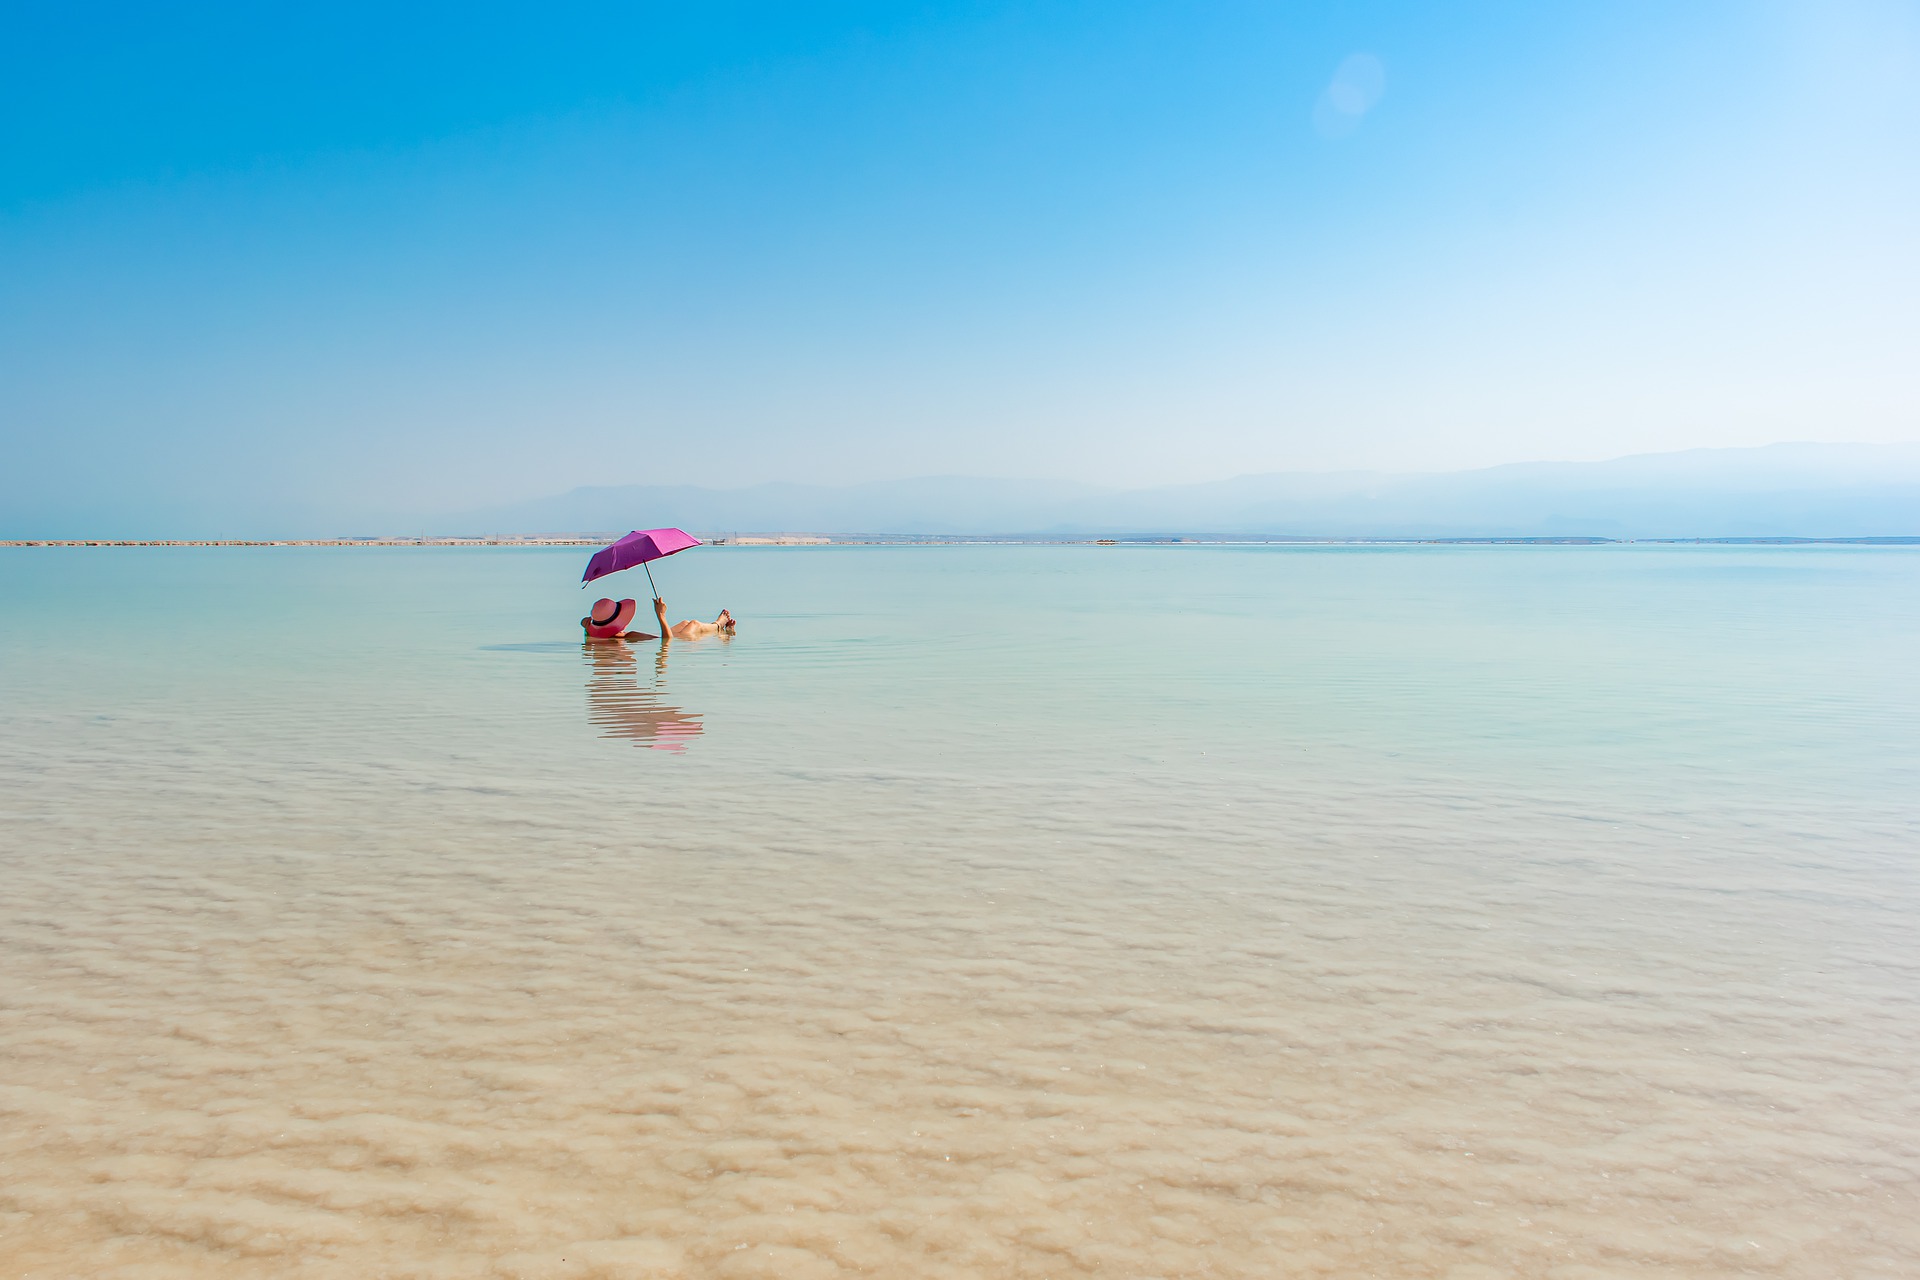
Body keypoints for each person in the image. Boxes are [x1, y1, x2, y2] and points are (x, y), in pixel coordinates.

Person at [654, 596, 735, 639]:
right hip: (674, 641)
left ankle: (723, 632)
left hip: (658, 638)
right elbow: (668, 641)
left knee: (685, 623)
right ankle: (718, 625)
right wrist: (661, 615)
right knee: (694, 624)